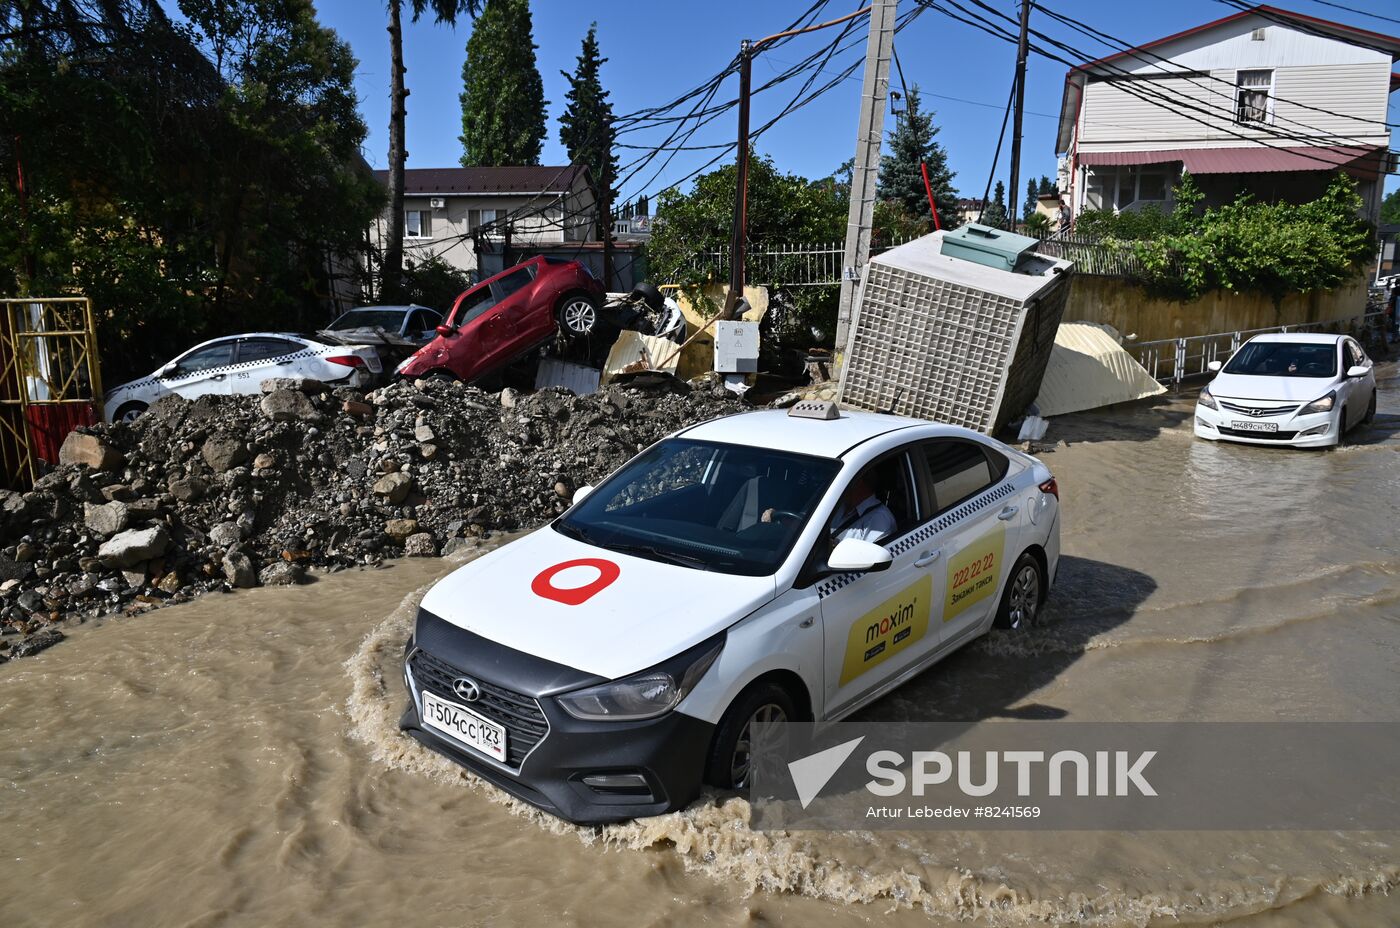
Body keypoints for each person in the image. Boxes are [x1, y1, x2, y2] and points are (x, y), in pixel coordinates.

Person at [828, 473, 897, 543]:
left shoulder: (879, 519)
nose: (839, 485)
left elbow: (869, 553)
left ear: (858, 482)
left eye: (844, 480)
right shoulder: (836, 506)